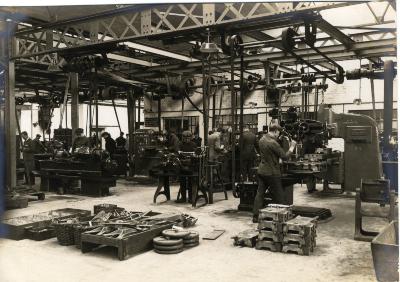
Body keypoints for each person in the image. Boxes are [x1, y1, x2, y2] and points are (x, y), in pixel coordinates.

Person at [252, 124, 296, 223]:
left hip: (262, 171)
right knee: (279, 196)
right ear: (275, 131)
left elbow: (269, 153)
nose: (278, 135)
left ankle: (255, 217)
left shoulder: (262, 139)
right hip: (272, 173)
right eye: (278, 133)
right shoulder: (273, 143)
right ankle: (286, 217)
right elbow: (285, 157)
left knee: (260, 194)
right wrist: (292, 147)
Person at [176, 130, 198, 203]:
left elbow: (196, 154)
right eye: (185, 138)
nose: (186, 139)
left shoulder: (193, 144)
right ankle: (183, 198)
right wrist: (179, 152)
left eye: (188, 138)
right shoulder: (180, 144)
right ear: (183, 138)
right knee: (182, 182)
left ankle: (191, 198)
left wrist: (194, 155)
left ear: (191, 138)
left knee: (190, 182)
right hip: (182, 165)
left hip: (191, 165)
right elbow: (177, 152)